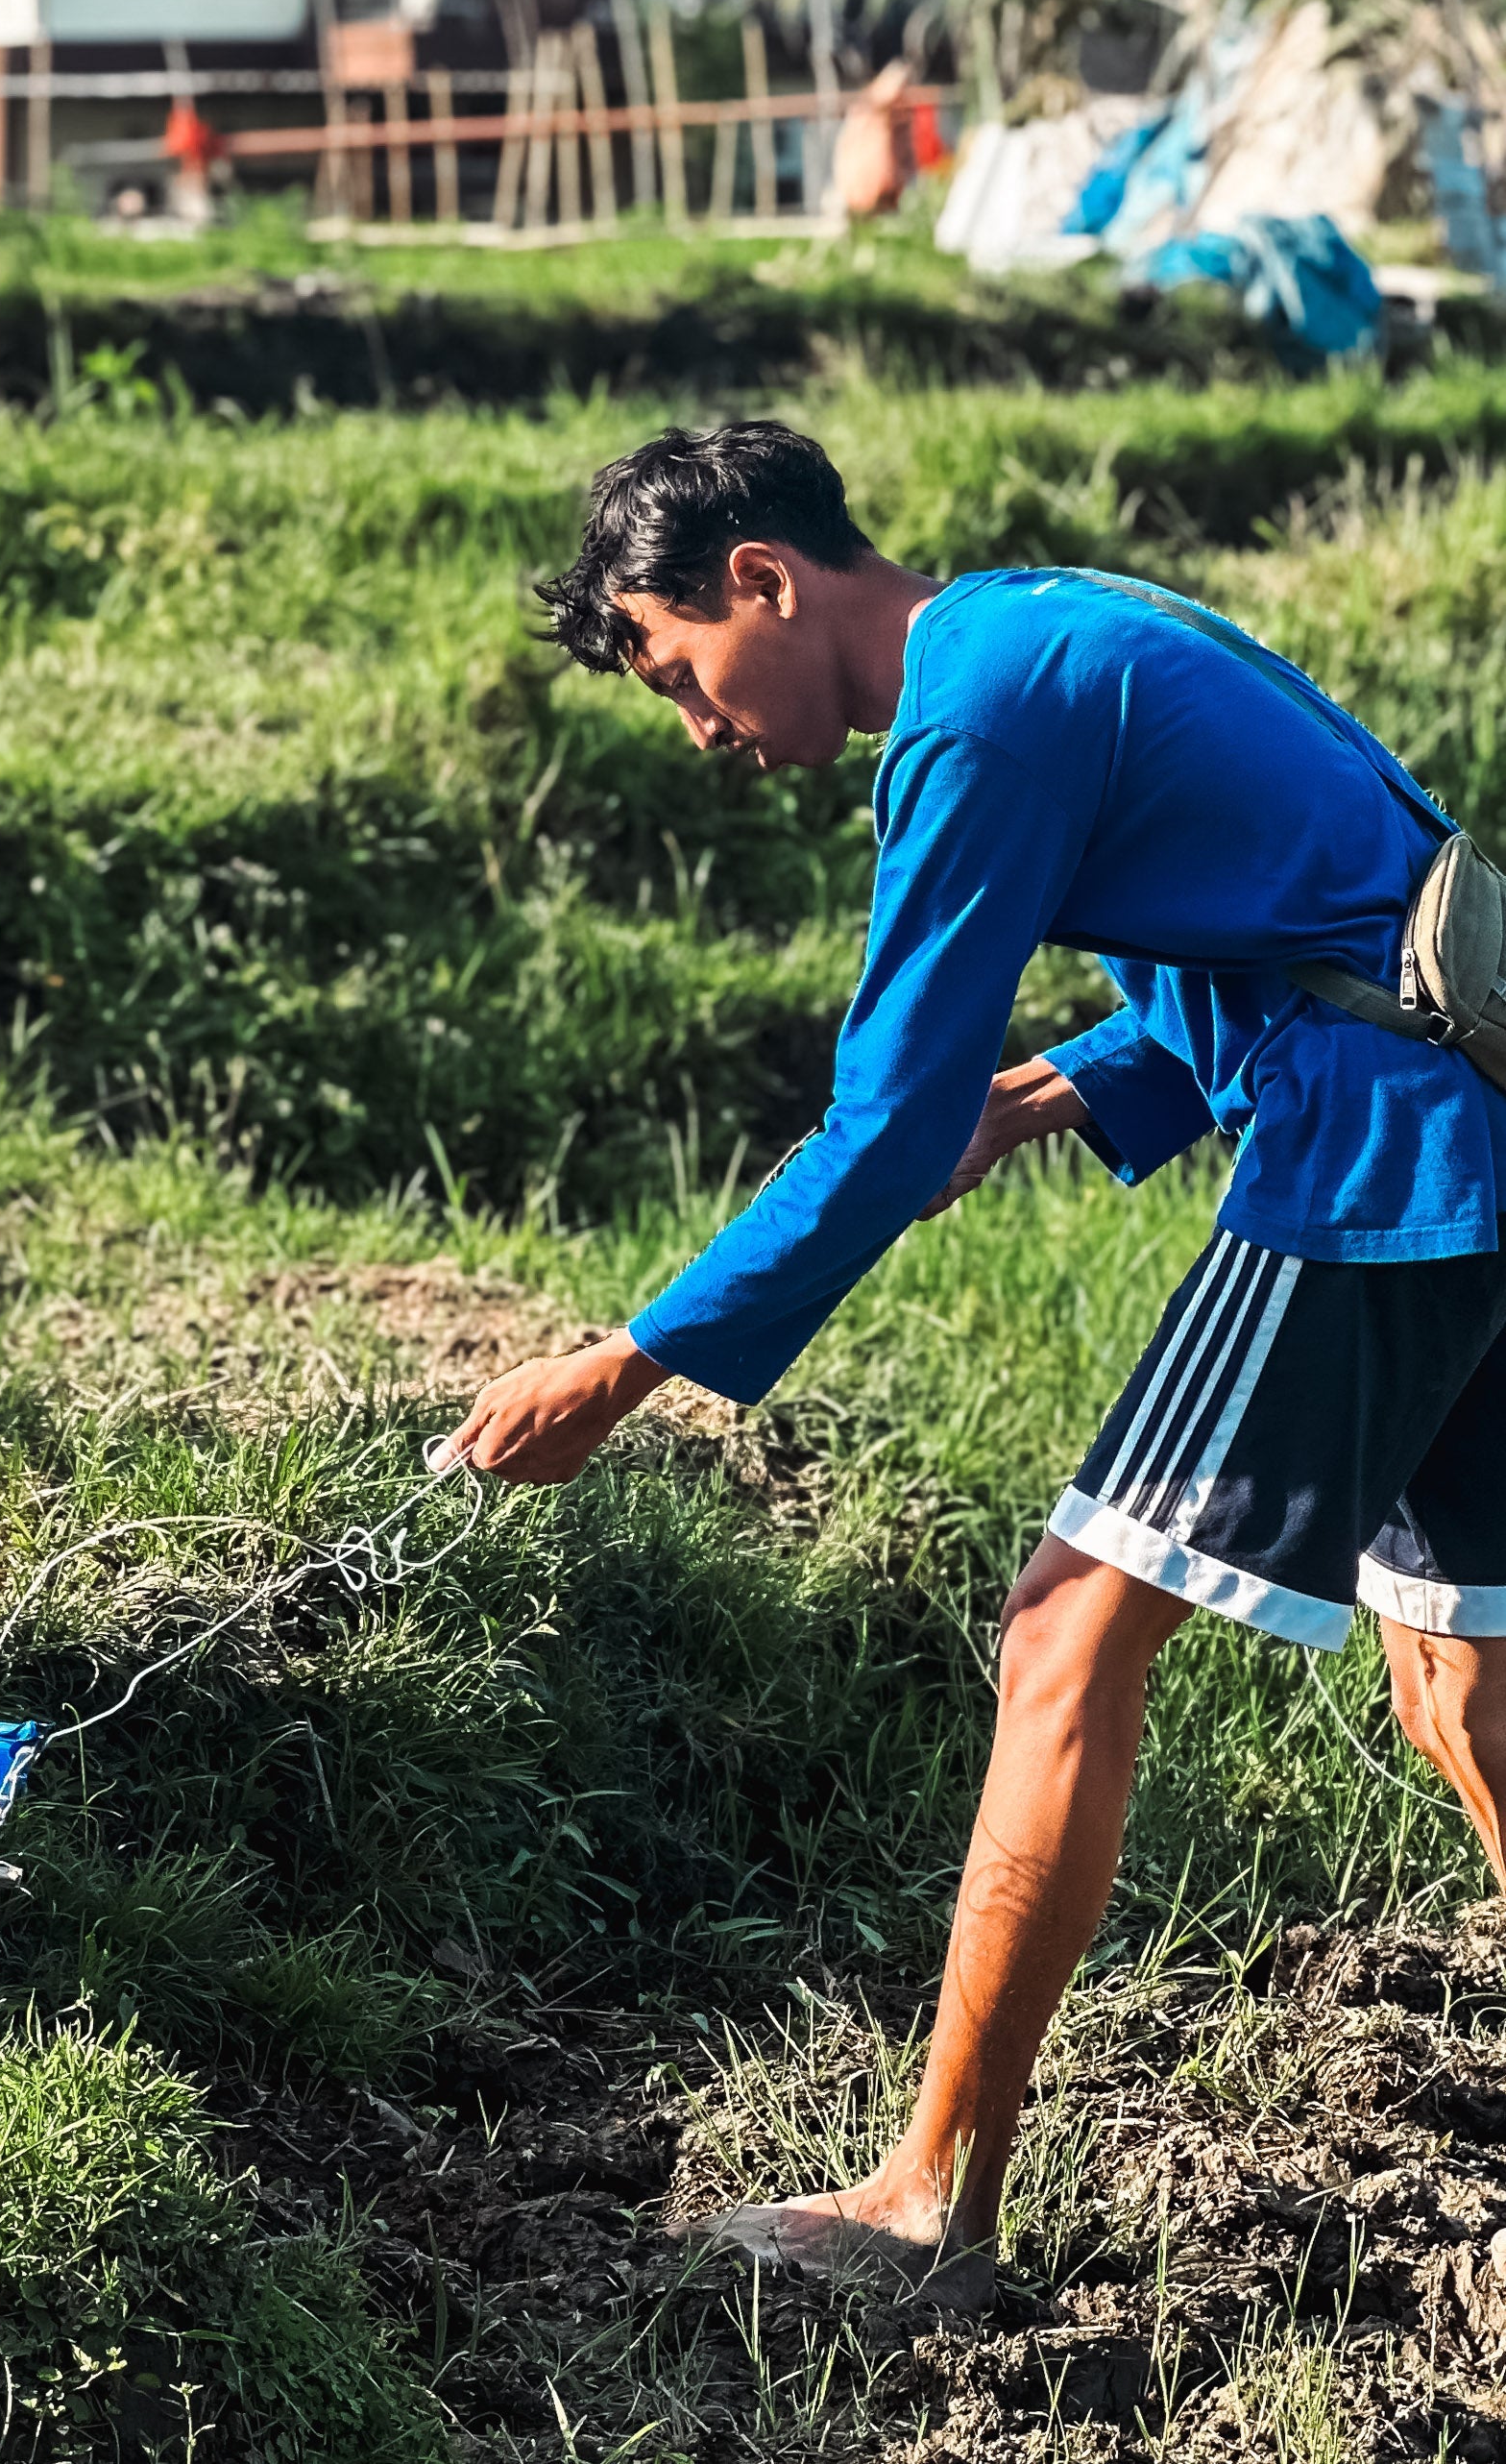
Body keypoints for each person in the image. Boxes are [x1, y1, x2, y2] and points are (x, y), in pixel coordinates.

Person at [448, 419, 1506, 2309]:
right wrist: (1034, 1099)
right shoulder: (1041, 631)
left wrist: (621, 1365)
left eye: (681, 673)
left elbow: (876, 1123)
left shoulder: (974, 713)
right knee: (1460, 1687)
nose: (702, 732)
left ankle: (932, 2201)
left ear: (763, 580)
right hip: (1470, 1128)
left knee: (1062, 1635)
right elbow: (1299, 918)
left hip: (1385, 1157)